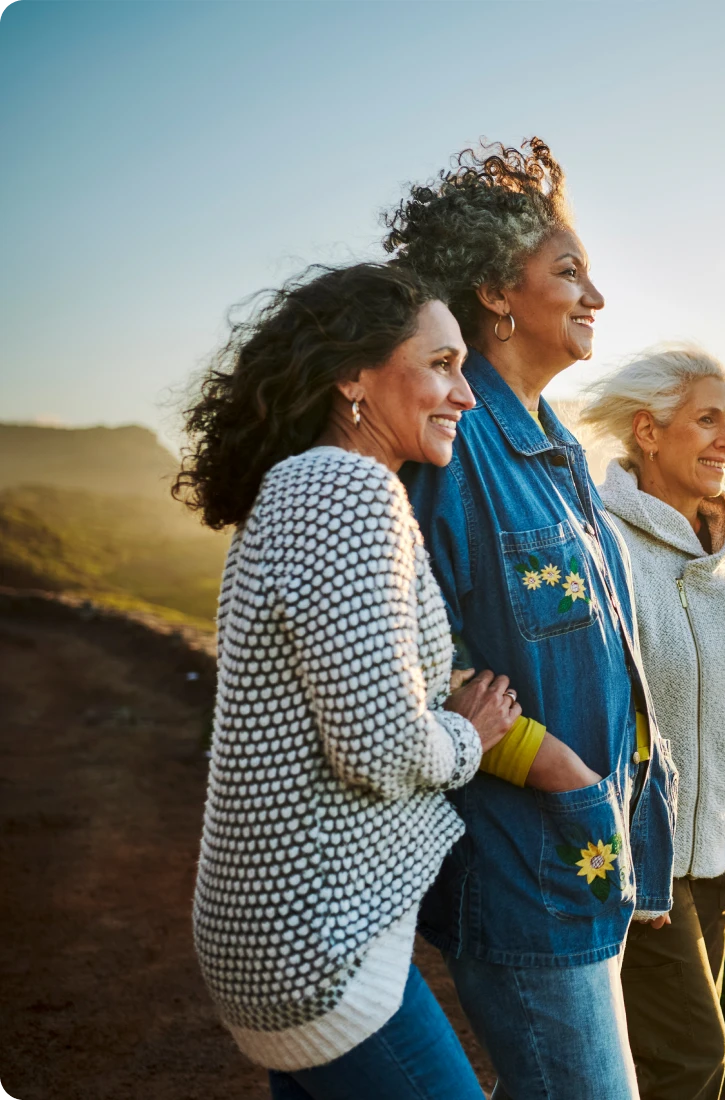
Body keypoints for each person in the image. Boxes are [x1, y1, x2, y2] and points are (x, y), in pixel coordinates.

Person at [176, 262, 521, 1099]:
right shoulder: (344, 487)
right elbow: (380, 742)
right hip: (318, 946)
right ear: (353, 374)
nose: (465, 396)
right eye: (440, 365)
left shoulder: (303, 486)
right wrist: (470, 735)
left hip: (273, 932)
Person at [383, 139, 678, 1100]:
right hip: (521, 871)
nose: (596, 295)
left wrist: (623, 815)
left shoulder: (558, 451)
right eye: (569, 273)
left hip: (582, 859)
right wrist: (563, 773)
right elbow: (429, 663)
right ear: (496, 295)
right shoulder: (456, 448)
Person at [581, 345, 725, 1100]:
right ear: (649, 431)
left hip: (713, 862)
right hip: (637, 859)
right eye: (708, 419)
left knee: (626, 1063)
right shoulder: (601, 539)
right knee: (692, 1060)